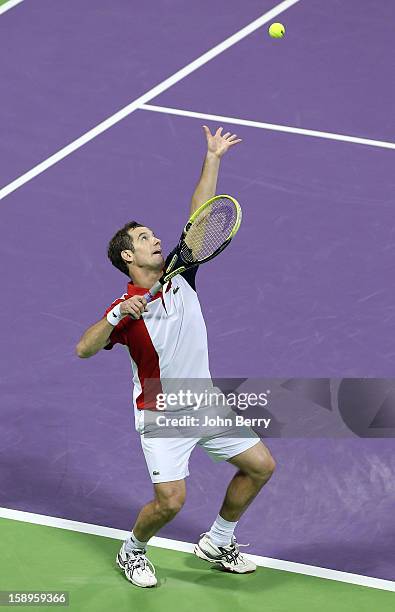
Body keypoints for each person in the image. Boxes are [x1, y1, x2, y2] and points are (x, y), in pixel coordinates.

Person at [75, 126, 276, 588]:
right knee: (170, 503)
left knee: (260, 466)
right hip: (161, 412)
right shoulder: (124, 312)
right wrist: (115, 315)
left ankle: (218, 540)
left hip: (203, 402)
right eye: (145, 238)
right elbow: (83, 349)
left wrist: (213, 158)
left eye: (154, 236)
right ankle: (133, 550)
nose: (156, 241)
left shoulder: (182, 274)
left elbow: (201, 220)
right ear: (129, 255)